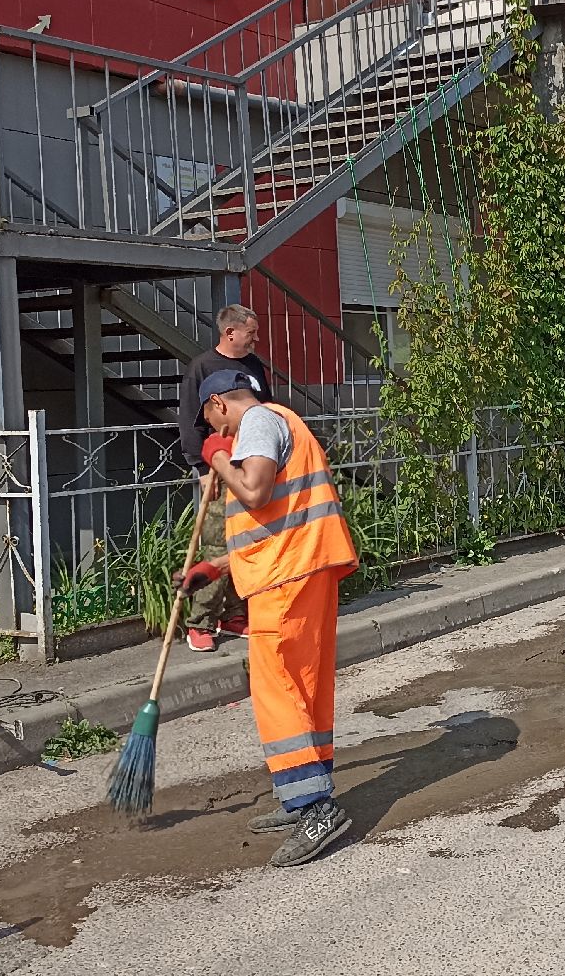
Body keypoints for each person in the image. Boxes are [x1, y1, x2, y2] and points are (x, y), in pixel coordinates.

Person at [180, 369, 359, 866]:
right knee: (302, 685)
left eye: (212, 420)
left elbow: (255, 492)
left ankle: (315, 806)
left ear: (218, 405)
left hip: (285, 577)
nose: (219, 432)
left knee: (276, 688)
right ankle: (305, 791)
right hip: (304, 567)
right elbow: (278, 514)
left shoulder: (256, 422)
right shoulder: (282, 419)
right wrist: (215, 566)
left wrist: (214, 452)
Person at [177, 305, 274, 652]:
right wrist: (203, 470)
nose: (256, 338)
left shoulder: (252, 366)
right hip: (218, 467)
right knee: (218, 543)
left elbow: (265, 409)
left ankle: (235, 614)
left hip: (253, 465)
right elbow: (191, 422)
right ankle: (200, 622)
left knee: (247, 541)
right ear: (229, 332)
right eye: (251, 332)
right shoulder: (202, 367)